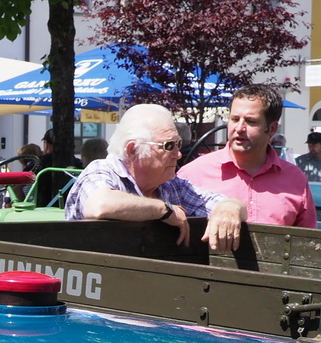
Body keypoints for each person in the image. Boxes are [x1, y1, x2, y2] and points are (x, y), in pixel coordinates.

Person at [63, 103, 245, 251]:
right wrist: (165, 210)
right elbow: (99, 206)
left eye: (179, 144)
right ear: (133, 150)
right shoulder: (102, 170)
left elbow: (228, 205)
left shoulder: (171, 185)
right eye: (168, 146)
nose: (178, 154)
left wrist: (229, 209)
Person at [176, 85, 316, 228]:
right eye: (234, 119)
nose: (239, 128)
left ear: (272, 128)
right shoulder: (193, 175)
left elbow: (309, 243)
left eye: (251, 121)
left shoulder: (295, 180)